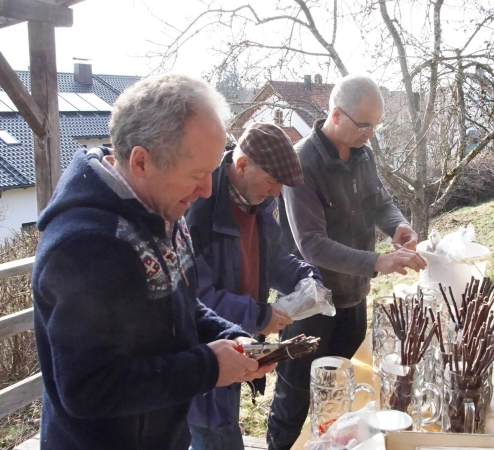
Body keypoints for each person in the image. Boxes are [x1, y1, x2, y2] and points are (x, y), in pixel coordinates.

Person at [31, 74, 274, 450]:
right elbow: (87, 389)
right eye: (196, 175)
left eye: (211, 173)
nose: (208, 190)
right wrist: (207, 367)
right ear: (141, 161)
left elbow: (181, 305)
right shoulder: (83, 246)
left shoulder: (161, 210)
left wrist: (231, 337)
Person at [268, 74, 427, 450]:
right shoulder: (301, 164)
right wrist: (378, 261)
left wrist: (398, 227)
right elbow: (312, 245)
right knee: (295, 399)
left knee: (342, 396)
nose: (370, 133)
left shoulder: (362, 155)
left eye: (376, 125)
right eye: (364, 125)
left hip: (353, 299)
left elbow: (380, 202)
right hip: (310, 306)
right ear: (336, 114)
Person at [184, 122, 323, 450]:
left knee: (224, 426)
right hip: (203, 361)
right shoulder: (197, 212)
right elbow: (195, 298)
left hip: (238, 345)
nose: (277, 192)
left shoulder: (258, 203)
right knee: (214, 434)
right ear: (243, 165)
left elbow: (272, 258)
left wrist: (306, 278)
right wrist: (260, 315)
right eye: (272, 181)